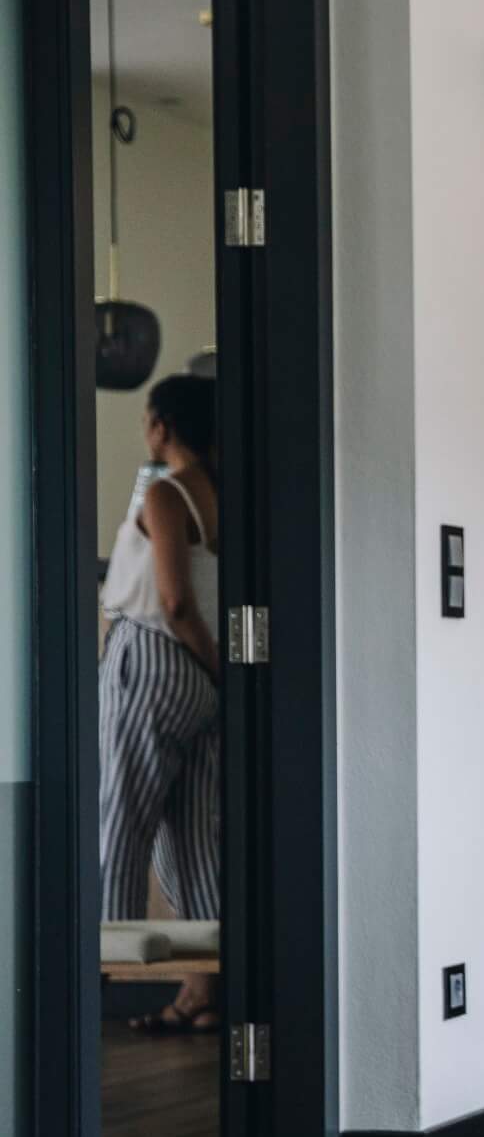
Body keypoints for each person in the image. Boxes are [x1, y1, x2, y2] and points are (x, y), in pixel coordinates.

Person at [98, 373, 222, 1032]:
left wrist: (204, 654)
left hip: (152, 659)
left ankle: (102, 984)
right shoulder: (222, 493)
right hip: (202, 688)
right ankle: (215, 985)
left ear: (162, 425)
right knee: (197, 844)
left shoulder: (168, 492)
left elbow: (174, 602)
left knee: (120, 822)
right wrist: (220, 675)